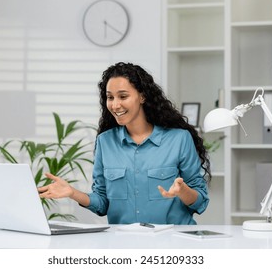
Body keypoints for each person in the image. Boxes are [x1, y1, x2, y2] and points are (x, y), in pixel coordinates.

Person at [38, 62, 211, 225]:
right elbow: (103, 203)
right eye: (110, 97)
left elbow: (200, 201)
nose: (115, 105)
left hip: (173, 244)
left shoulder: (179, 139)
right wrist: (72, 193)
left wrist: (183, 191)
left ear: (142, 96)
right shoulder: (105, 142)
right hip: (124, 244)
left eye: (123, 96)